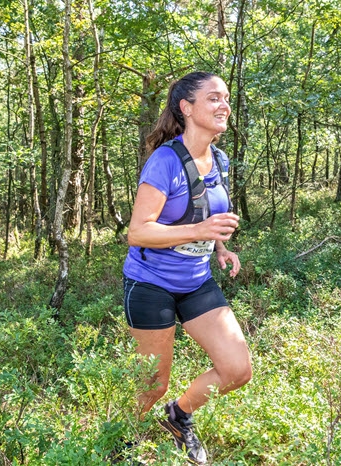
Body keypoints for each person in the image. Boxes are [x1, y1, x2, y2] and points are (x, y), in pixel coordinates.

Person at [122, 72, 252, 464]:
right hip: (150, 284)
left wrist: (220, 247)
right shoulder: (165, 160)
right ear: (187, 108)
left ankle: (179, 416)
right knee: (151, 384)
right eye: (213, 98)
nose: (224, 105)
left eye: (226, 98)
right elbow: (137, 232)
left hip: (196, 282)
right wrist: (198, 230)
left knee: (236, 367)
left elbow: (207, 212)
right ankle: (122, 438)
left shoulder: (221, 160)